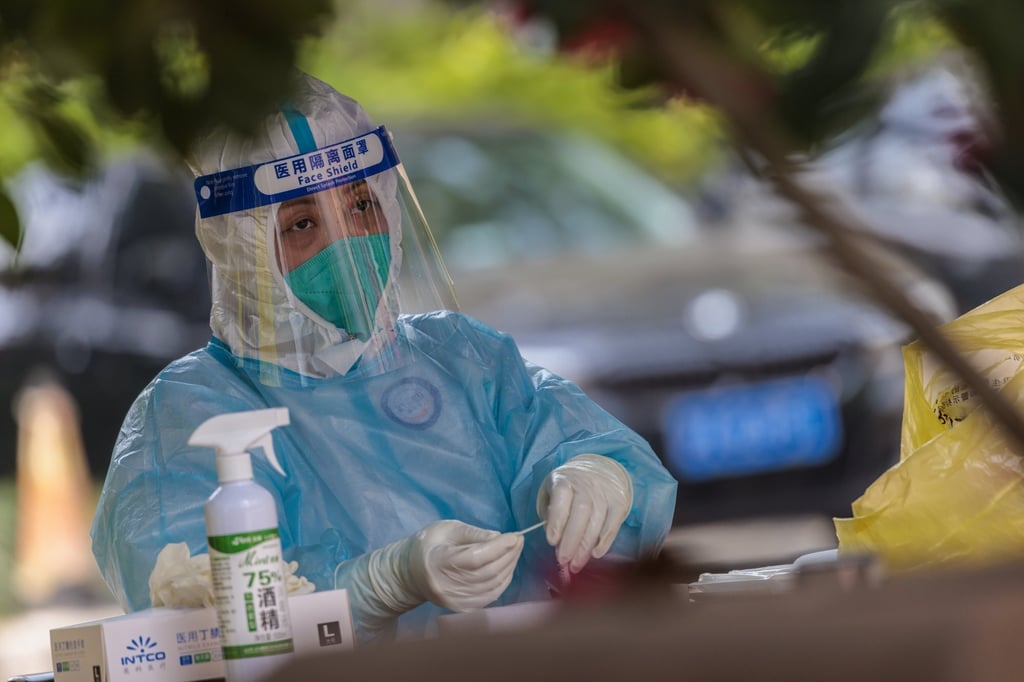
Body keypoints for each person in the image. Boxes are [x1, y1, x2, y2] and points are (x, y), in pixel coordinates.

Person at [90, 71, 678, 643]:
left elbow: (592, 454)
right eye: (300, 223)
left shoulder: (464, 358)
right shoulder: (190, 416)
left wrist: (599, 476)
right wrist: (380, 583)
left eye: (361, 208)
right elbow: (198, 614)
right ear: (239, 247)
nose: (345, 246)